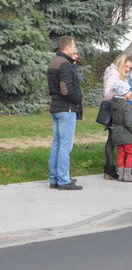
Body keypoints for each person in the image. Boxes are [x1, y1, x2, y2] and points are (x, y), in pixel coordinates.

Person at [47, 36, 83, 190]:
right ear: (67, 48)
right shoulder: (65, 64)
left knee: (56, 144)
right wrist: (77, 99)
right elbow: (65, 88)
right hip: (66, 108)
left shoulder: (54, 62)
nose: (75, 48)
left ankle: (54, 179)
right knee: (65, 146)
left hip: (56, 107)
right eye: (73, 46)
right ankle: (63, 180)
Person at [102, 54, 132, 180]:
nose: (127, 69)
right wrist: (124, 95)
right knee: (112, 140)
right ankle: (109, 169)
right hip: (114, 109)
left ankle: (111, 169)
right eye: (126, 66)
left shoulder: (120, 74)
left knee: (113, 140)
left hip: (118, 108)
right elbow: (107, 94)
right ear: (121, 64)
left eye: (130, 68)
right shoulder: (114, 74)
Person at [110, 80, 132, 183]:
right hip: (126, 133)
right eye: (129, 90)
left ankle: (121, 175)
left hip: (117, 131)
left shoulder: (114, 103)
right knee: (130, 153)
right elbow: (128, 122)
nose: (131, 92)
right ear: (123, 92)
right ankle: (127, 175)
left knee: (121, 153)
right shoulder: (125, 105)